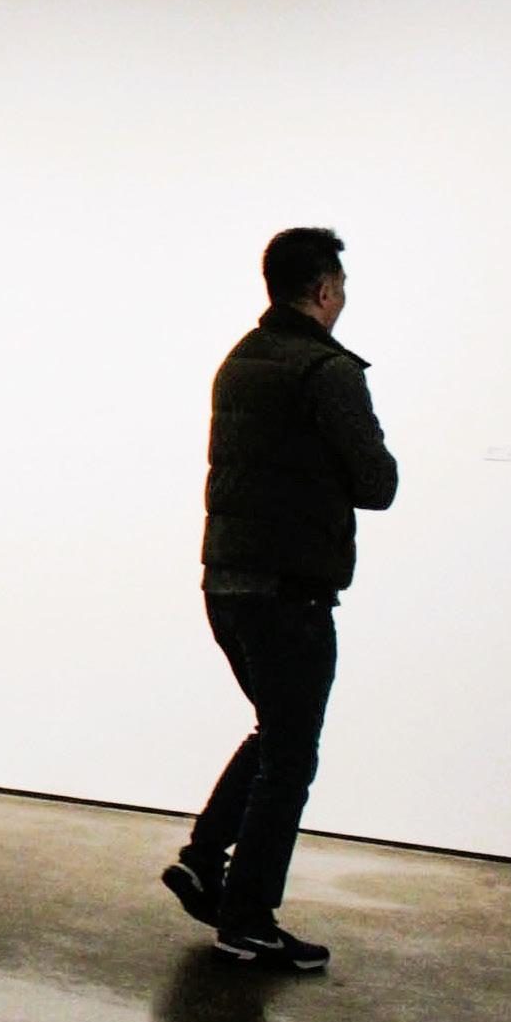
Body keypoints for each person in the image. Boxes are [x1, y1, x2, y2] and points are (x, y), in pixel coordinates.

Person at [163, 227, 396, 972]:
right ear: (323, 290)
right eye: (341, 286)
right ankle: (247, 919)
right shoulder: (328, 371)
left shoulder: (239, 360)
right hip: (289, 592)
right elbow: (378, 483)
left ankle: (204, 859)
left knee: (276, 733)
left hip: (225, 582)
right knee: (291, 756)